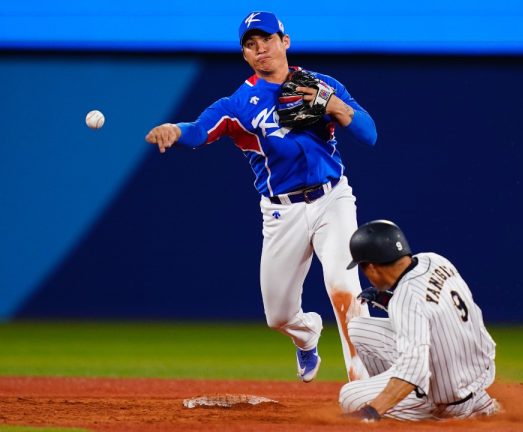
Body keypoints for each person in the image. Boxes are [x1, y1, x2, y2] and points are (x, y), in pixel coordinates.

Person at [144, 11, 376, 382]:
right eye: (251, 45)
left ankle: (363, 386)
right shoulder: (239, 104)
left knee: (344, 286)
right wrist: (174, 128)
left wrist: (335, 107)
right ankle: (306, 336)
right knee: (279, 316)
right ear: (246, 56)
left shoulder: (322, 84)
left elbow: (370, 134)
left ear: (285, 42)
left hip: (333, 200)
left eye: (266, 39)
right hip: (281, 212)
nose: (260, 48)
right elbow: (200, 129)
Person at [339, 220, 500, 421]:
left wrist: (372, 411)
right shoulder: (434, 260)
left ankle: (428, 408)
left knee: (349, 396)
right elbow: (433, 307)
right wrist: (388, 299)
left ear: (371, 268)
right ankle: (479, 401)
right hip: (475, 369)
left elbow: (414, 369)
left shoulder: (406, 300)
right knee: (358, 328)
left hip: (450, 399)